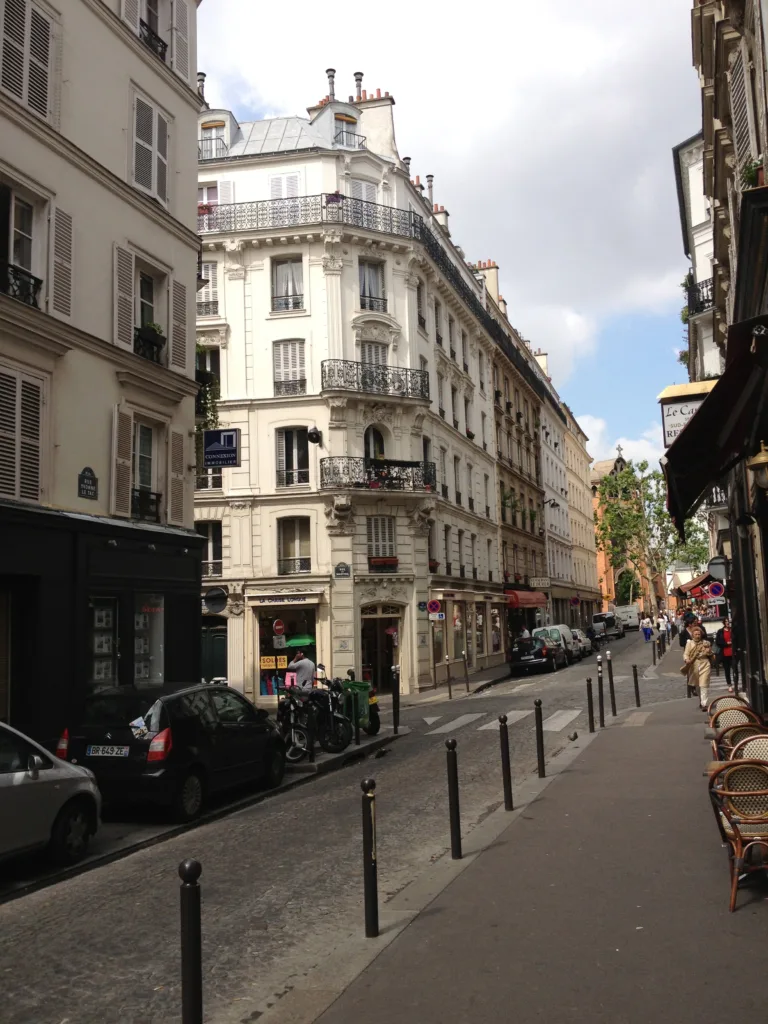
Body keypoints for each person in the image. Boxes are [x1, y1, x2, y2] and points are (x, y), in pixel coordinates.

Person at [683, 624, 715, 711]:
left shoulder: (705, 643)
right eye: (696, 634)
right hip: (694, 666)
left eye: (699, 634)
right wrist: (686, 660)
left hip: (705, 664)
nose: (697, 636)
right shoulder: (689, 643)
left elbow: (711, 654)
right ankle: (701, 701)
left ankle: (704, 704)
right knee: (697, 686)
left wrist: (709, 652)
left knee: (703, 684)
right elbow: (686, 654)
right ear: (692, 635)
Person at [715, 618, 735, 693]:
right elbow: (718, 642)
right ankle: (729, 685)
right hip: (725, 653)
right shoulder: (720, 631)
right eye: (726, 622)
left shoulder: (732, 630)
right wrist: (726, 644)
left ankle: (735, 683)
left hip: (733, 652)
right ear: (724, 623)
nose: (727, 623)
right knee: (727, 670)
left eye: (728, 621)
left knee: (735, 669)